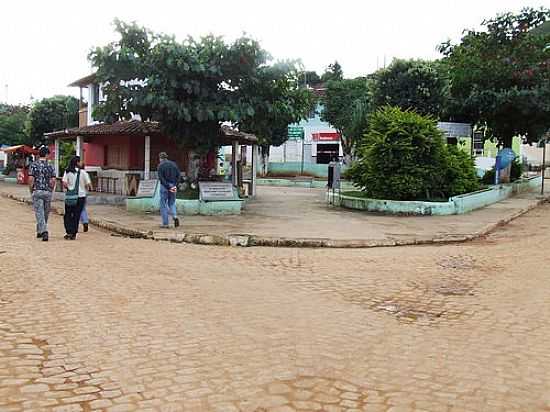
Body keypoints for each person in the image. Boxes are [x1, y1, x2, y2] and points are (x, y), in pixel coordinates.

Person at [28, 146, 56, 241]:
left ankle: (43, 231)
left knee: (39, 212)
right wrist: (51, 190)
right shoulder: (51, 166)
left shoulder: (33, 165)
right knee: (46, 212)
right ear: (47, 154)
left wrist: (31, 190)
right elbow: (53, 180)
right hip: (47, 191)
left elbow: (31, 179)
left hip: (37, 190)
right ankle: (41, 230)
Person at [62, 156, 92, 240]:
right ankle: (74, 233)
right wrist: (86, 187)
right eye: (81, 161)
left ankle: (68, 231)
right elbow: (88, 185)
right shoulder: (83, 172)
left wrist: (69, 188)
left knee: (68, 214)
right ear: (77, 163)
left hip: (70, 197)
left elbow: (64, 183)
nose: (82, 163)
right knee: (76, 215)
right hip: (80, 197)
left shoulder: (67, 172)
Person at [157, 152, 180, 228]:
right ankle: (175, 216)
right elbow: (178, 175)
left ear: (160, 158)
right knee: (172, 203)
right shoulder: (174, 164)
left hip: (164, 187)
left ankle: (165, 223)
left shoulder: (160, 166)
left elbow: (161, 178)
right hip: (173, 185)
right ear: (166, 157)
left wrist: (167, 186)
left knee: (163, 204)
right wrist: (174, 185)